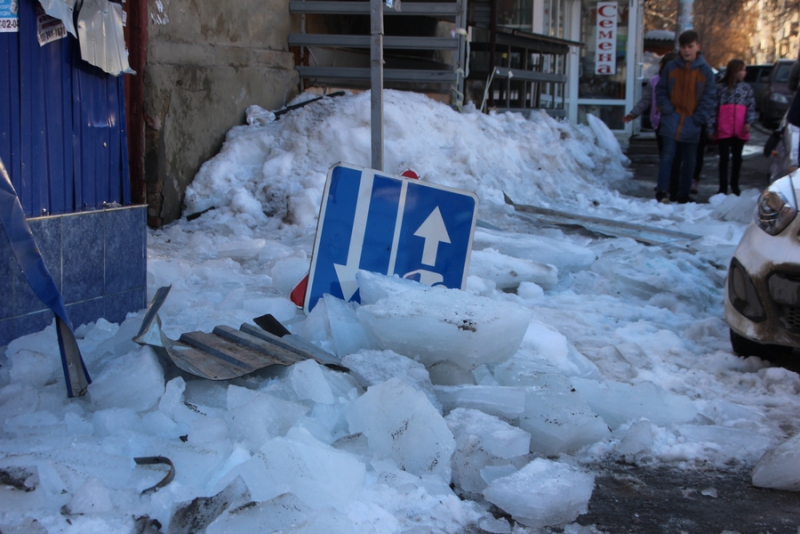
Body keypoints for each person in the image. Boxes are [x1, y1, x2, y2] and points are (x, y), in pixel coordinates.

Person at [654, 30, 717, 204]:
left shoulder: (705, 72)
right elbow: (661, 90)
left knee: (690, 160)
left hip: (692, 121)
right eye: (683, 47)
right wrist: (668, 110)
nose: (687, 50)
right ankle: (662, 190)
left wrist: (698, 118)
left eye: (690, 46)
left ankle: (683, 193)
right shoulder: (671, 67)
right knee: (668, 157)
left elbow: (709, 97)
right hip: (672, 120)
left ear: (698, 47)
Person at [708, 59, 756, 195]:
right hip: (724, 128)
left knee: (737, 158)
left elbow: (751, 106)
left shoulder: (746, 88)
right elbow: (713, 109)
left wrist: (748, 122)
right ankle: (722, 186)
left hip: (740, 128)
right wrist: (711, 128)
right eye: (742, 70)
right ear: (734, 71)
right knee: (723, 158)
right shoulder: (720, 88)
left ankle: (734, 185)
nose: (745, 73)